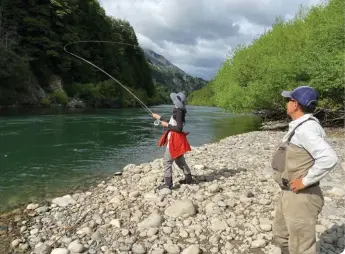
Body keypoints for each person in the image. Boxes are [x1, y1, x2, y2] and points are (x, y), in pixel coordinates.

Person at [271, 85, 338, 254]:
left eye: (289, 100)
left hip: (302, 197)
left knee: (301, 247)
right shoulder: (300, 126)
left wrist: (304, 181)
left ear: (295, 104)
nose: (286, 103)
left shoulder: (307, 129)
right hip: (289, 193)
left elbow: (329, 158)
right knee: (281, 236)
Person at [152, 91, 193, 190]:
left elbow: (178, 128)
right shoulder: (179, 110)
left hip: (175, 140)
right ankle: (189, 179)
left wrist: (167, 125)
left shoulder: (178, 111)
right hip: (178, 140)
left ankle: (168, 185)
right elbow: (173, 122)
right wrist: (160, 117)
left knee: (167, 162)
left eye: (174, 100)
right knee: (180, 161)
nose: (173, 101)